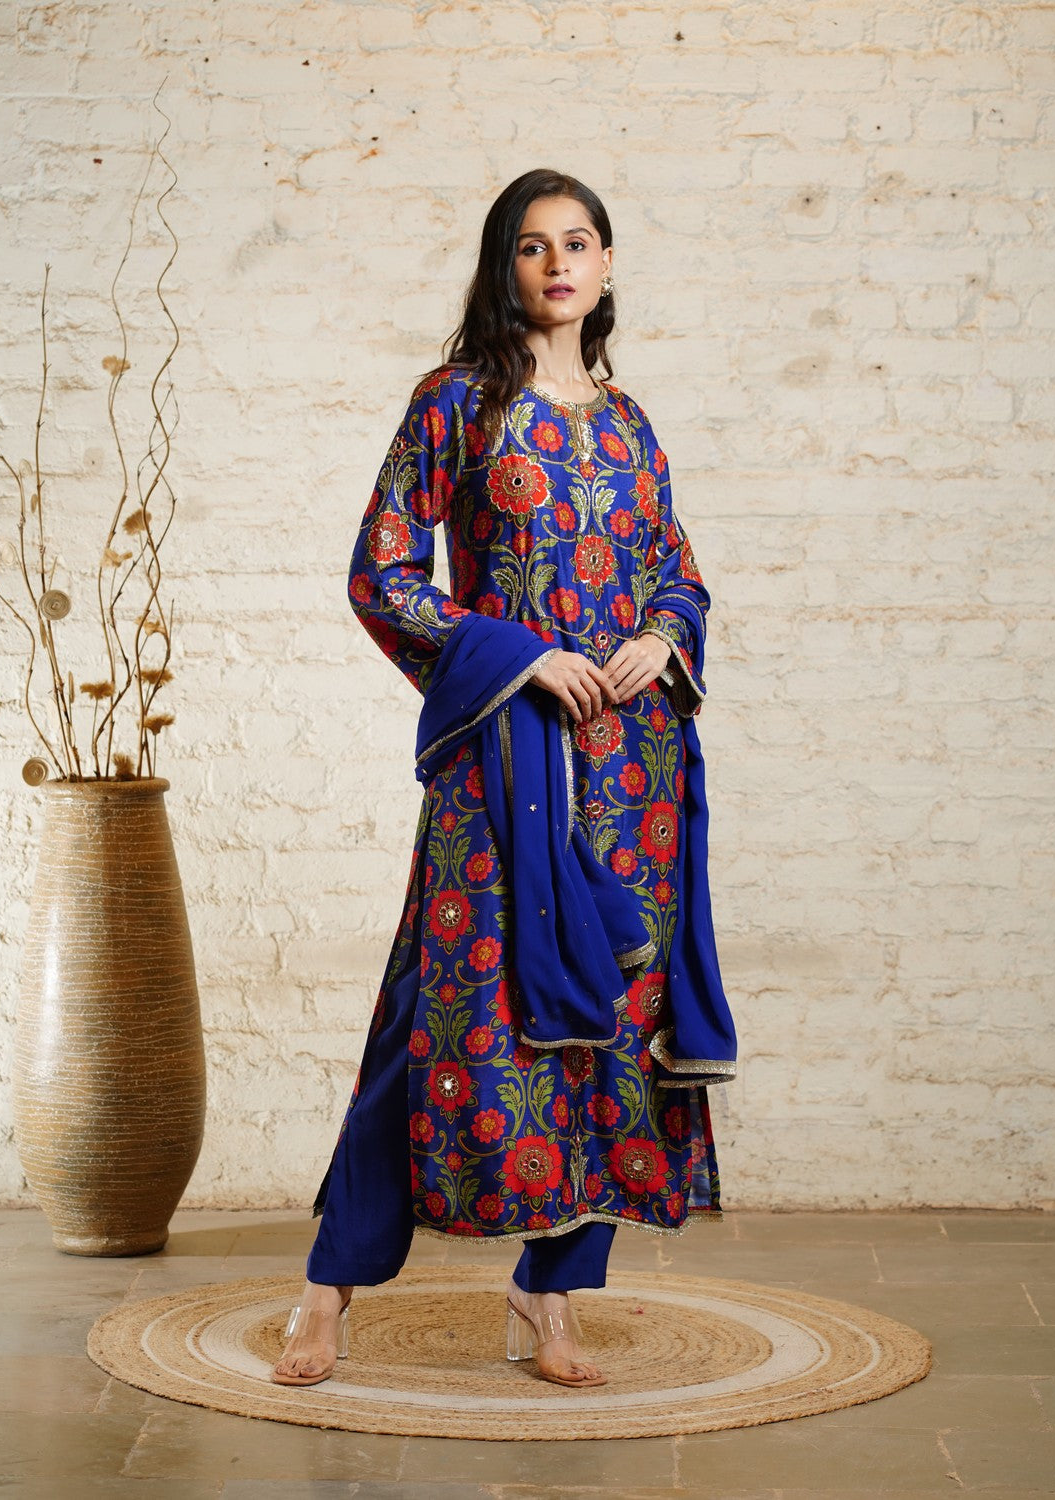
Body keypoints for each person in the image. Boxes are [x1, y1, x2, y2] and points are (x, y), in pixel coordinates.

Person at [272, 168, 737, 1390]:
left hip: (632, 768)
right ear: (504, 266)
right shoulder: (459, 405)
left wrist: (663, 637)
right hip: (507, 760)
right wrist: (521, 657)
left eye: (577, 243)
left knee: (617, 1030)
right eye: (532, 246)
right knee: (439, 1014)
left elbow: (678, 570)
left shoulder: (631, 425)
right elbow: (383, 575)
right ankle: (327, 1287)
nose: (557, 264)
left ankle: (552, 1297)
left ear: (607, 263)